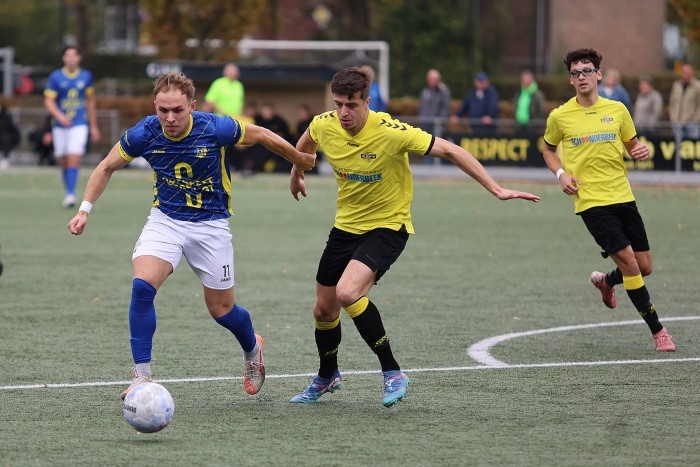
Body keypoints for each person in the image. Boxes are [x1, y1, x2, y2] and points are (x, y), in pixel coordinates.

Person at [288, 66, 540, 407]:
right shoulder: (325, 123)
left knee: (348, 293)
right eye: (338, 105)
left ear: (367, 102)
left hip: (388, 226)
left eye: (351, 105)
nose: (343, 113)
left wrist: (496, 188)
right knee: (323, 309)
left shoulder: (392, 132)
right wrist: (297, 171)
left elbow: (451, 151)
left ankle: (393, 372)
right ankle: (328, 374)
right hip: (346, 226)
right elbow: (306, 143)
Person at [67, 72, 316, 400]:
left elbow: (262, 135)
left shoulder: (214, 127)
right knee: (142, 288)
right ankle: (142, 376)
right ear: (155, 106)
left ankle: (252, 348)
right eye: (163, 110)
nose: (170, 118)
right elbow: (105, 166)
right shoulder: (145, 132)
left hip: (211, 226)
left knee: (222, 310)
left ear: (192, 107)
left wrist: (298, 161)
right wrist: (84, 209)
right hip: (166, 221)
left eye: (177, 110)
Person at [542, 48, 675, 352]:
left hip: (623, 196)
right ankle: (659, 332)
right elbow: (548, 150)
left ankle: (608, 281)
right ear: (570, 80)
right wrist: (561, 174)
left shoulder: (617, 110)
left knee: (644, 266)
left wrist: (641, 151)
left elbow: (633, 145)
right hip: (591, 201)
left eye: (587, 70)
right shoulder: (560, 116)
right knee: (629, 261)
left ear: (599, 74)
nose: (581, 77)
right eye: (575, 73)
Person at [44, 45, 101, 207]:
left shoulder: (86, 76)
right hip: (60, 126)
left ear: (79, 58)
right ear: (64, 58)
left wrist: (93, 126)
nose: (71, 59)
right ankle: (68, 190)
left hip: (79, 124)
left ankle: (70, 195)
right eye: (68, 56)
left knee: (74, 157)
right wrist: (60, 116)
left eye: (74, 55)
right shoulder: (55, 77)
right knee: (63, 160)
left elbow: (90, 102)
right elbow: (49, 101)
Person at [452, 71, 500, 136]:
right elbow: (465, 106)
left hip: (488, 128)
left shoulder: (492, 93)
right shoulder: (471, 93)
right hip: (475, 127)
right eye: (480, 81)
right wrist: (457, 116)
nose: (482, 83)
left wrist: (489, 116)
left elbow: (493, 106)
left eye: (484, 81)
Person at [668, 63, 700, 141]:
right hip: (677, 123)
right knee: (678, 144)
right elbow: (672, 102)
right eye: (684, 73)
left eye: (688, 73)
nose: (686, 75)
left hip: (692, 124)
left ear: (692, 73)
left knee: (693, 144)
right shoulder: (676, 85)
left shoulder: (697, 86)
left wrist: (695, 119)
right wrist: (672, 117)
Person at [417, 69, 451, 137]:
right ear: (428, 79)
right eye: (432, 79)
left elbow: (445, 108)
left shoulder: (443, 91)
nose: (434, 81)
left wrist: (440, 121)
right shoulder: (425, 91)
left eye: (436, 79)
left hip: (437, 125)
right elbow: (422, 107)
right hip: (424, 123)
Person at [0, 101, 20, 170]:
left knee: (5, 139)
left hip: (10, 137)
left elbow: (8, 128)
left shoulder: (7, 116)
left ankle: (6, 159)